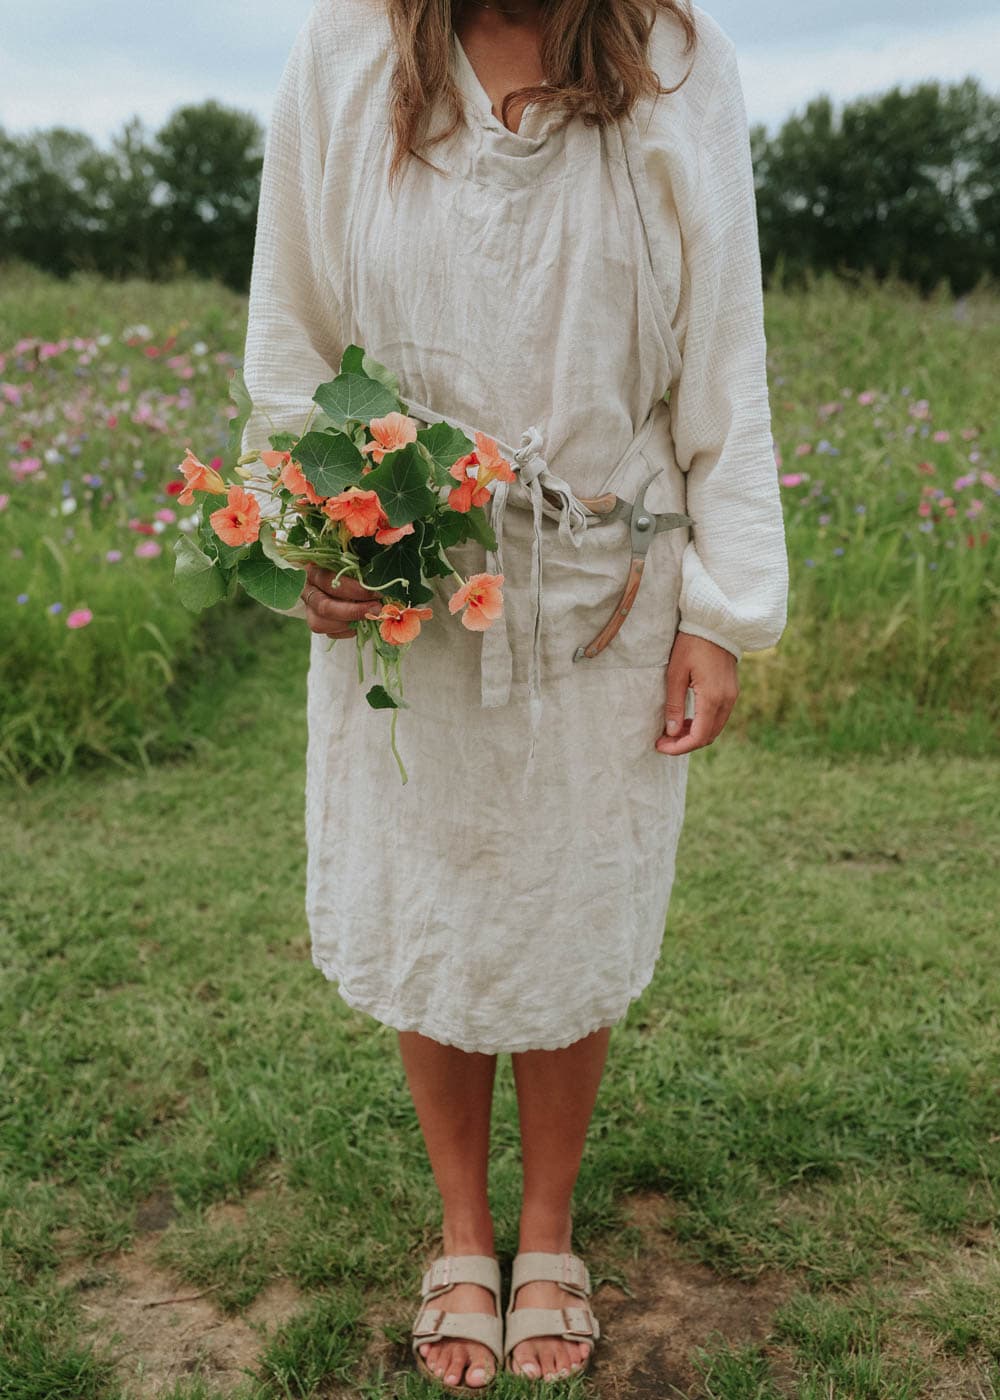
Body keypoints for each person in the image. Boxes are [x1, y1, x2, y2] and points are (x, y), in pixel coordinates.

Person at [239, 0, 789, 1389]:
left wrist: (721, 613)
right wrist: (319, 532)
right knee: (441, 889)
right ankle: (461, 1228)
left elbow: (725, 350)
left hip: (608, 575)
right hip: (416, 568)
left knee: (570, 896)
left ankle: (545, 1229)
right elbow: (293, 333)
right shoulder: (346, 52)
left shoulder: (678, 62)